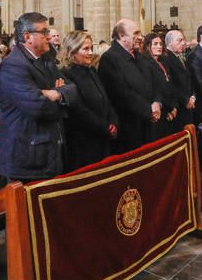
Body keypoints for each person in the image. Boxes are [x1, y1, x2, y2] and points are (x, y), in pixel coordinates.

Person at [0, 12, 78, 182]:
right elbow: (38, 107)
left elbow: (72, 88)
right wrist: (61, 99)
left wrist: (55, 93)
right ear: (28, 37)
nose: (49, 37)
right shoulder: (14, 65)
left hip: (48, 151)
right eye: (44, 32)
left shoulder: (45, 58)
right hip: (27, 157)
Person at [98, 19, 161, 154]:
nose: (140, 37)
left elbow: (155, 82)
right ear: (121, 36)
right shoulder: (109, 59)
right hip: (129, 127)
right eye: (136, 33)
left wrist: (157, 103)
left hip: (148, 122)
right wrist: (148, 110)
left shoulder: (140, 56)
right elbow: (121, 94)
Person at [58, 31, 118, 171]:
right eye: (85, 49)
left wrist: (114, 122)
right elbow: (78, 110)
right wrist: (104, 127)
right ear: (72, 51)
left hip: (102, 137)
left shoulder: (91, 71)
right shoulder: (66, 74)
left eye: (91, 48)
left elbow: (105, 99)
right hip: (83, 141)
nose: (91, 53)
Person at [141, 33, 178, 140]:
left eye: (161, 44)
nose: (159, 47)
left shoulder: (162, 62)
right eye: (155, 44)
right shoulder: (145, 63)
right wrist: (168, 107)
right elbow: (152, 89)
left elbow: (171, 85)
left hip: (169, 109)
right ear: (148, 46)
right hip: (159, 111)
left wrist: (174, 107)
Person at [164, 30, 195, 128]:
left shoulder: (179, 56)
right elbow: (171, 85)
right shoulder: (166, 58)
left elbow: (189, 78)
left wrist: (193, 96)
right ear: (170, 43)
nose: (183, 43)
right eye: (180, 40)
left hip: (189, 103)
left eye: (183, 40)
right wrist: (185, 100)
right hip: (179, 106)